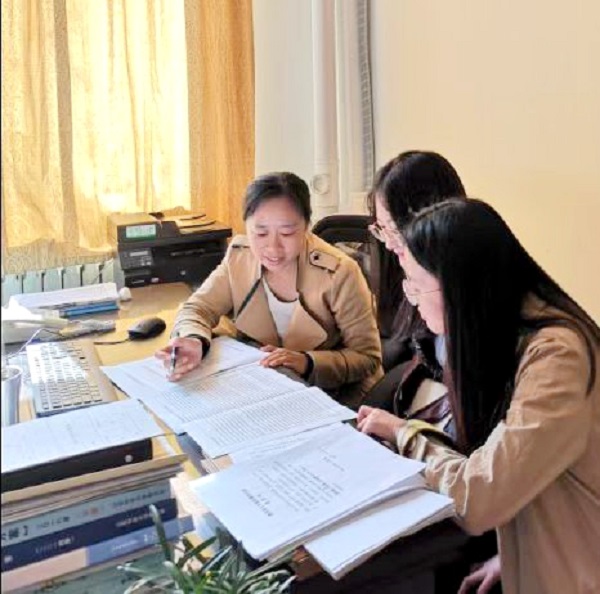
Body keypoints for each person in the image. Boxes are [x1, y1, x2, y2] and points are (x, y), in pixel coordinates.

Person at [357, 199, 600, 594]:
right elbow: (527, 469)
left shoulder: (557, 357)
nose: (411, 299)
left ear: (458, 286)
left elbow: (477, 499)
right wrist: (515, 550)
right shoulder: (512, 332)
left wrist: (406, 435)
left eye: (415, 285)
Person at [156, 172, 383, 405]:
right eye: (260, 233)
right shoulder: (239, 257)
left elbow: (367, 358)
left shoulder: (340, 271)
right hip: (266, 387)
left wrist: (306, 362)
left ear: (306, 226)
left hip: (336, 393)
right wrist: (194, 339)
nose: (273, 248)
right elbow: (198, 308)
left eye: (287, 233)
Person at [367, 150, 467, 372]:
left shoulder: (461, 287)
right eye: (382, 229)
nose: (389, 244)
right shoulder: (397, 265)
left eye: (395, 229)